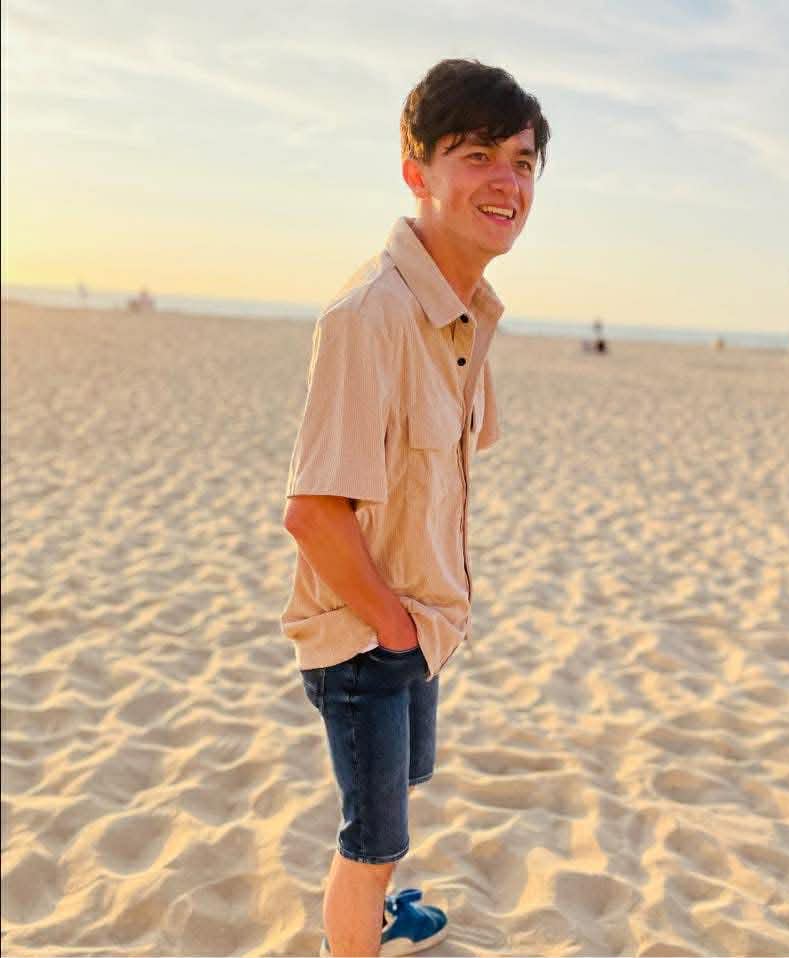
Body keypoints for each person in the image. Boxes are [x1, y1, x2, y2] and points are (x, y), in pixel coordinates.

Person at [281, 59, 549, 957]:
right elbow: (313, 513)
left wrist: (422, 631)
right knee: (368, 845)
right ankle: (355, 935)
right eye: (477, 156)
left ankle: (384, 918)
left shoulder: (468, 312)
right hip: (368, 637)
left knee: (398, 801)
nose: (507, 181)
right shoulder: (369, 316)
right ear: (416, 172)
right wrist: (394, 634)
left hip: (421, 624)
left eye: (522, 161)